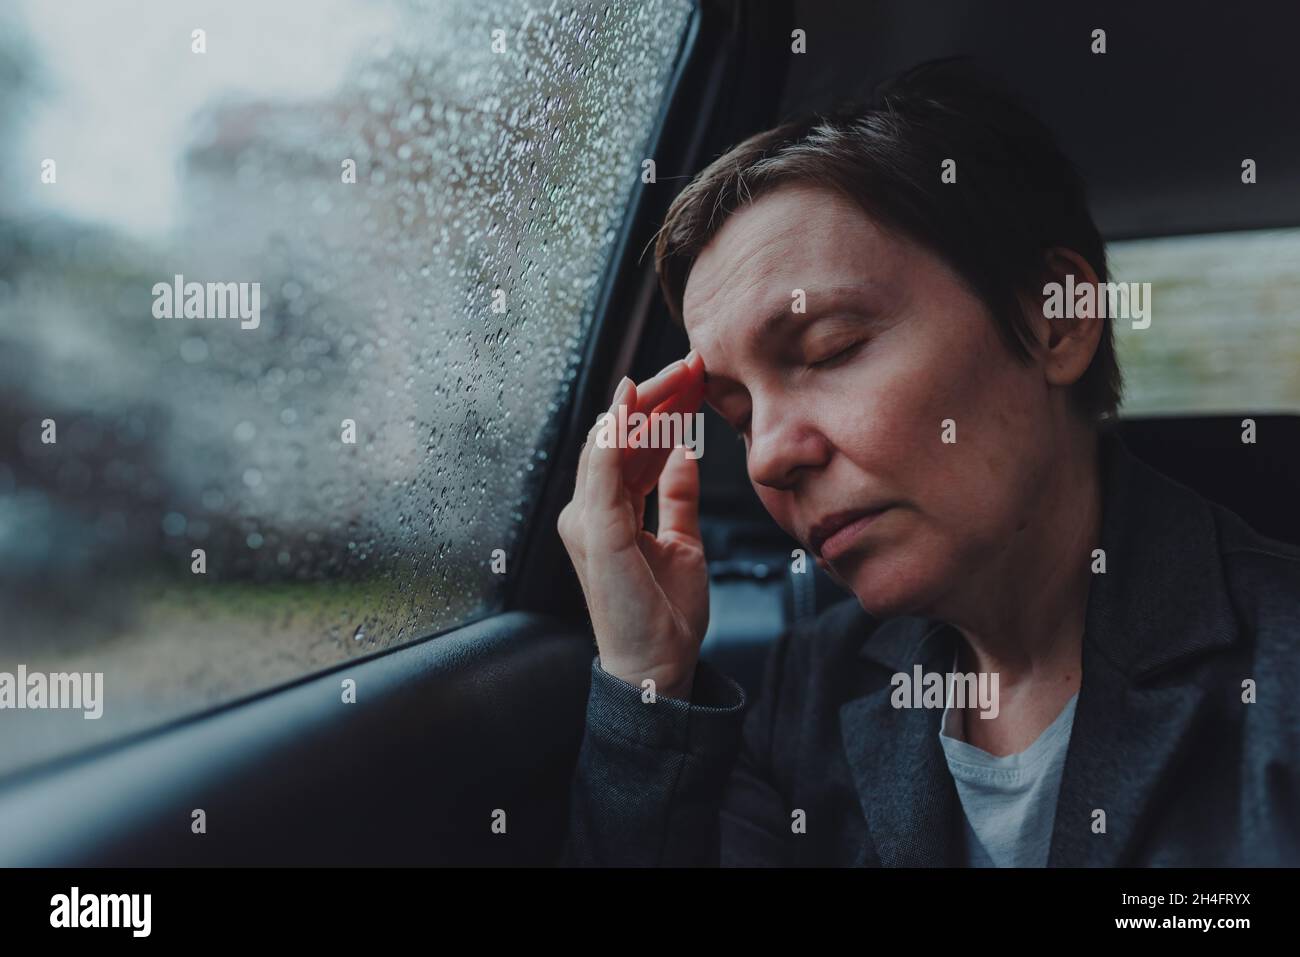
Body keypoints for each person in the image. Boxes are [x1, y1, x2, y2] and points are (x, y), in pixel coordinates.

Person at [555, 58, 1300, 867]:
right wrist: (645, 681)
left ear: (1056, 322)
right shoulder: (813, 684)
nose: (767, 457)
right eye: (737, 416)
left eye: (830, 349)